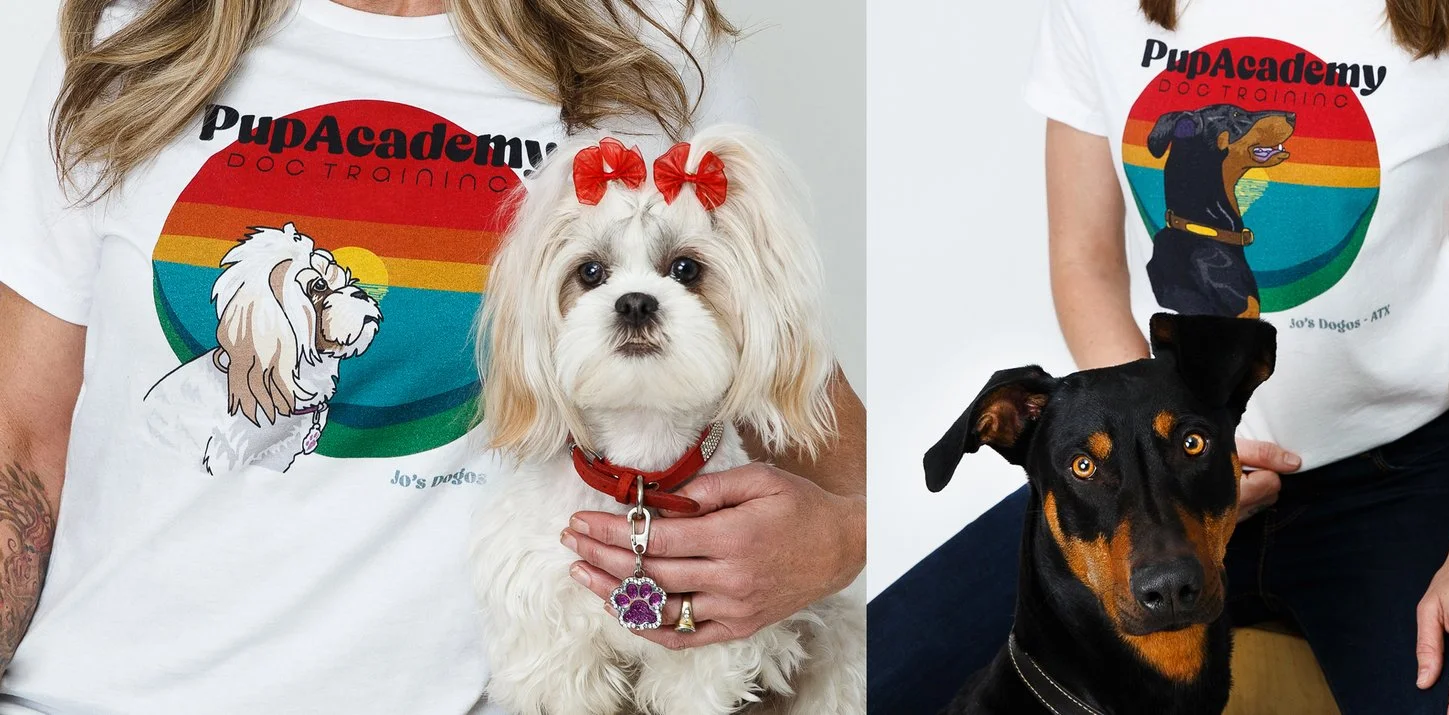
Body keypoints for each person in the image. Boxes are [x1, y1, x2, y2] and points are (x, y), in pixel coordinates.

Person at [0, 1, 864, 712]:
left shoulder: (647, 39)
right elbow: (21, 439)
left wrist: (837, 542)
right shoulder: (133, 34)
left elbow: (788, 378)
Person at [869, 0, 1449, 713]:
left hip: (1401, 482)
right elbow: (1085, 260)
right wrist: (1155, 456)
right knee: (875, 681)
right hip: (1166, 470)